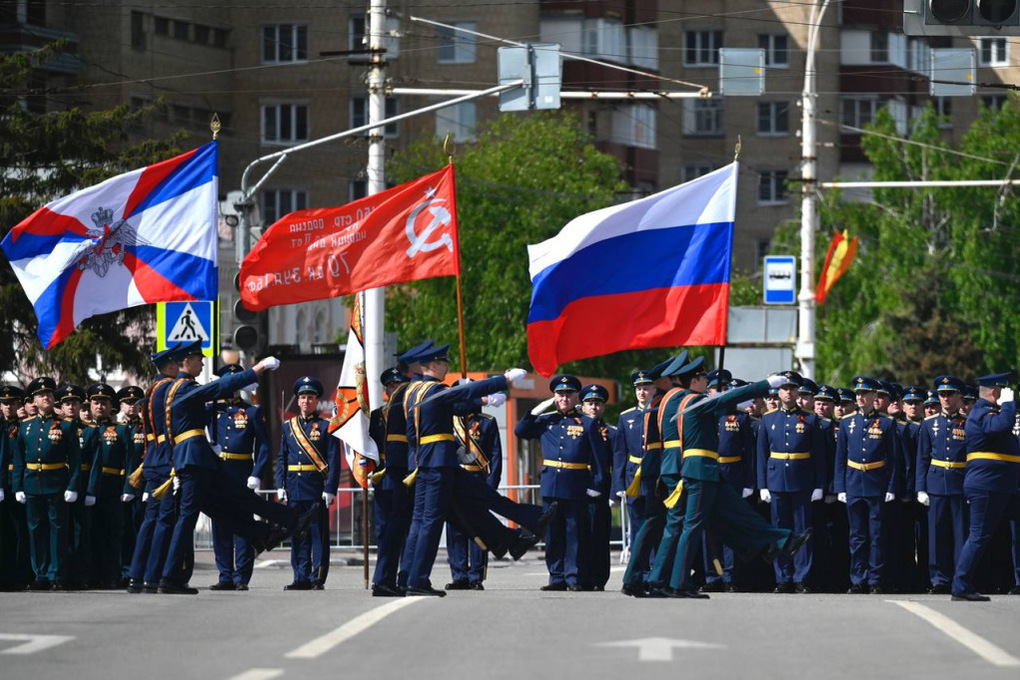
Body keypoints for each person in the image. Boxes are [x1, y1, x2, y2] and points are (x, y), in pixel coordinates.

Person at [160, 342, 308, 594]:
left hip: (200, 462)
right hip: (194, 463)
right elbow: (219, 387)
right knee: (197, 516)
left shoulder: (175, 389)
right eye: (198, 358)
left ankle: (267, 532)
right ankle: (170, 577)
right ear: (186, 361)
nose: (203, 363)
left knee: (228, 508)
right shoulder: (183, 387)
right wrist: (257, 369)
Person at [662, 364, 808, 598]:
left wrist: (727, 399)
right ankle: (676, 582)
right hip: (700, 470)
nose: (705, 382)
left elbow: (728, 405)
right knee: (695, 526)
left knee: (735, 514)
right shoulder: (693, 401)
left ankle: (776, 542)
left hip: (708, 471)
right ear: (694, 381)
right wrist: (764, 385)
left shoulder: (689, 400)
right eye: (702, 377)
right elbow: (727, 400)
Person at [402, 345, 526, 596]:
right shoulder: (434, 389)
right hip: (437, 464)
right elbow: (466, 392)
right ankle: (418, 580)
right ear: (433, 365)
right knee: (431, 523)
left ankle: (408, 576)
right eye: (444, 363)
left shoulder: (411, 391)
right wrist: (504, 379)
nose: (447, 367)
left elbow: (415, 432)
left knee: (420, 522)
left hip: (424, 461)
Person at [515, 374, 608, 592]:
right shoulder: (546, 420)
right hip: (551, 485)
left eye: (568, 394)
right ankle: (556, 577)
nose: (564, 398)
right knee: (553, 533)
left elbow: (599, 459)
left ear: (576, 397)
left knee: (575, 533)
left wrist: (597, 485)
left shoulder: (587, 422)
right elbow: (520, 431)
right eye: (559, 394)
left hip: (576, 485)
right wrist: (537, 410)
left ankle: (573, 577)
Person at [951, 372, 1020, 601]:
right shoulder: (983, 412)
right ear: (993, 392)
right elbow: (1001, 426)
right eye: (1003, 391)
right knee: (979, 536)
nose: (1005, 396)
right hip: (988, 485)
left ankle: (963, 583)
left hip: (1001, 485)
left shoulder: (988, 412)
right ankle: (961, 585)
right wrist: (1009, 403)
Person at [757, 371, 827, 593]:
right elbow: (761, 455)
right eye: (784, 388)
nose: (788, 392)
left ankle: (801, 577)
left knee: (802, 531)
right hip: (776, 481)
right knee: (780, 531)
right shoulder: (768, 419)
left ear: (798, 392)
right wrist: (762, 485)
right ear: (778, 392)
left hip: (802, 480)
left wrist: (819, 485)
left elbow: (819, 455)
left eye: (792, 388)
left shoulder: (810, 419)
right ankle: (783, 577)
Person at [11, 377, 81, 590]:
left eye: (50, 394)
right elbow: (18, 460)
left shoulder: (66, 427)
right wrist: (17, 487)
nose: (47, 397)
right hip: (32, 485)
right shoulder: (25, 427)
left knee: (58, 531)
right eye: (42, 395)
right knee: (35, 530)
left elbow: (75, 460)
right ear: (34, 400)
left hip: (57, 483)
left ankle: (56, 574)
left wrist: (72, 486)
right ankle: (40, 573)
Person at [208, 363, 271, 591]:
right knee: (221, 526)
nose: (232, 388)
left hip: (242, 473)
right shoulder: (211, 410)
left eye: (236, 384)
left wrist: (256, 474)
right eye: (228, 383)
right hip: (217, 474)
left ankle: (241, 577)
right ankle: (225, 575)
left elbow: (264, 445)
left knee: (243, 525)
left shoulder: (253, 411)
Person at [834, 376, 899, 594]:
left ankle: (875, 579)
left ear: (874, 396)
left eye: (864, 394)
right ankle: (858, 579)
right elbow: (840, 458)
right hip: (853, 484)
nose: (860, 398)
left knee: (877, 535)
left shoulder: (887, 423)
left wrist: (891, 487)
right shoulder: (847, 423)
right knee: (857, 536)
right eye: (858, 394)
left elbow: (894, 459)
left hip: (876, 483)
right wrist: (840, 487)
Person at [277, 376, 341, 591]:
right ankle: (300, 577)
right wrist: (280, 485)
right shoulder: (288, 427)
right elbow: (282, 458)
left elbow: (334, 459)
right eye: (303, 397)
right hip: (294, 487)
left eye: (311, 397)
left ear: (316, 401)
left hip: (316, 488)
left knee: (317, 535)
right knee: (297, 534)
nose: (306, 401)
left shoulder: (325, 426)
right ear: (298, 400)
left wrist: (330, 488)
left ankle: (317, 577)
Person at [702, 372, 757, 593]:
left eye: (723, 389)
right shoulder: (703, 415)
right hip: (708, 472)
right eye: (714, 389)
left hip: (733, 473)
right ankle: (713, 575)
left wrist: (749, 482)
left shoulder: (740, 418)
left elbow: (750, 454)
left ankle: (730, 576)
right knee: (709, 529)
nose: (719, 393)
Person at [445, 389, 502, 591]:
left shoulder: (487, 422)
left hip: (477, 479)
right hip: (454, 479)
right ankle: (459, 575)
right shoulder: (448, 421)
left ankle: (475, 576)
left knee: (477, 529)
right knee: (456, 530)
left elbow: (495, 456)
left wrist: (491, 488)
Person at [82, 383, 137, 589]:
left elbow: (130, 462)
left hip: (111, 486)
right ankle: (91, 574)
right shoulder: (84, 430)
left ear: (110, 405)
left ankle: (111, 575)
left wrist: (128, 488)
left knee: (112, 533)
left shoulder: (120, 431)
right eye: (96, 402)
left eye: (104, 402)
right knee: (89, 532)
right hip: (87, 487)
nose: (99, 406)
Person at [916, 376, 968, 594]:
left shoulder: (967, 423)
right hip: (936, 483)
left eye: (949, 394)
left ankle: (960, 577)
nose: (945, 399)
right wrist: (920, 488)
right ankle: (939, 580)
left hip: (960, 482)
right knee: (936, 536)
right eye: (942, 394)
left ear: (958, 397)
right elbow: (922, 458)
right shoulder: (929, 424)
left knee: (960, 535)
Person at [368, 367, 413, 597]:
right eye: (390, 386)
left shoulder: (409, 411)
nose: (393, 389)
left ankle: (405, 576)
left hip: (404, 473)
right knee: (383, 530)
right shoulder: (376, 415)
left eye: (397, 385)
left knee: (403, 529)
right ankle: (383, 576)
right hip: (381, 475)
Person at [613, 370, 656, 565]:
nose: (642, 392)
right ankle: (639, 568)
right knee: (637, 524)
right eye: (638, 388)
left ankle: (655, 569)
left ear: (654, 389)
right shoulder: (626, 416)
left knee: (655, 522)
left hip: (655, 474)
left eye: (646, 388)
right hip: (633, 475)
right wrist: (618, 484)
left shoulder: (660, 413)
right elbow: (620, 452)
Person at [579, 383, 614, 591]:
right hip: (577, 488)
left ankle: (599, 578)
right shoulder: (574, 427)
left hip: (601, 490)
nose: (593, 407)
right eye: (589, 403)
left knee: (599, 536)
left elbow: (617, 461)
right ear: (582, 406)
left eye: (598, 403)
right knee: (579, 535)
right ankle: (580, 576)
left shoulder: (611, 433)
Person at [0, 385, 32, 591]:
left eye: (12, 402)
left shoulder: (24, 427)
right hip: (4, 482)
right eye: (4, 403)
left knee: (20, 531)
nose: (8, 406)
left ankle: (19, 574)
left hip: (18, 483)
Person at [116, 385, 146, 587]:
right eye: (128, 403)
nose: (132, 407)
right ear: (120, 405)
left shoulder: (145, 428)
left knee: (139, 531)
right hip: (116, 487)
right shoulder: (115, 428)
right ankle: (123, 570)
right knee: (120, 531)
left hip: (140, 487)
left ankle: (138, 571)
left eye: (136, 403)